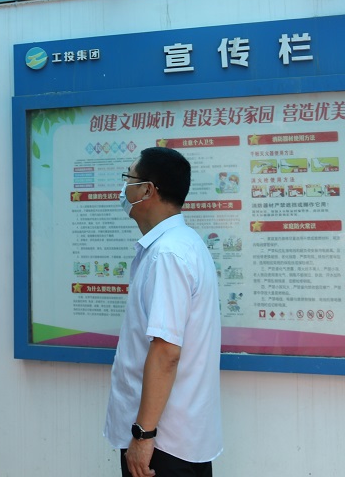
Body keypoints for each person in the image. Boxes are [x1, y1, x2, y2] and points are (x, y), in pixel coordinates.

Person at [104, 147, 222, 477]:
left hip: (163, 445)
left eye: (129, 178)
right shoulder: (182, 244)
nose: (124, 188)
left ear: (147, 190)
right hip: (180, 440)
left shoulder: (167, 255)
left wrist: (143, 434)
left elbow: (166, 351)